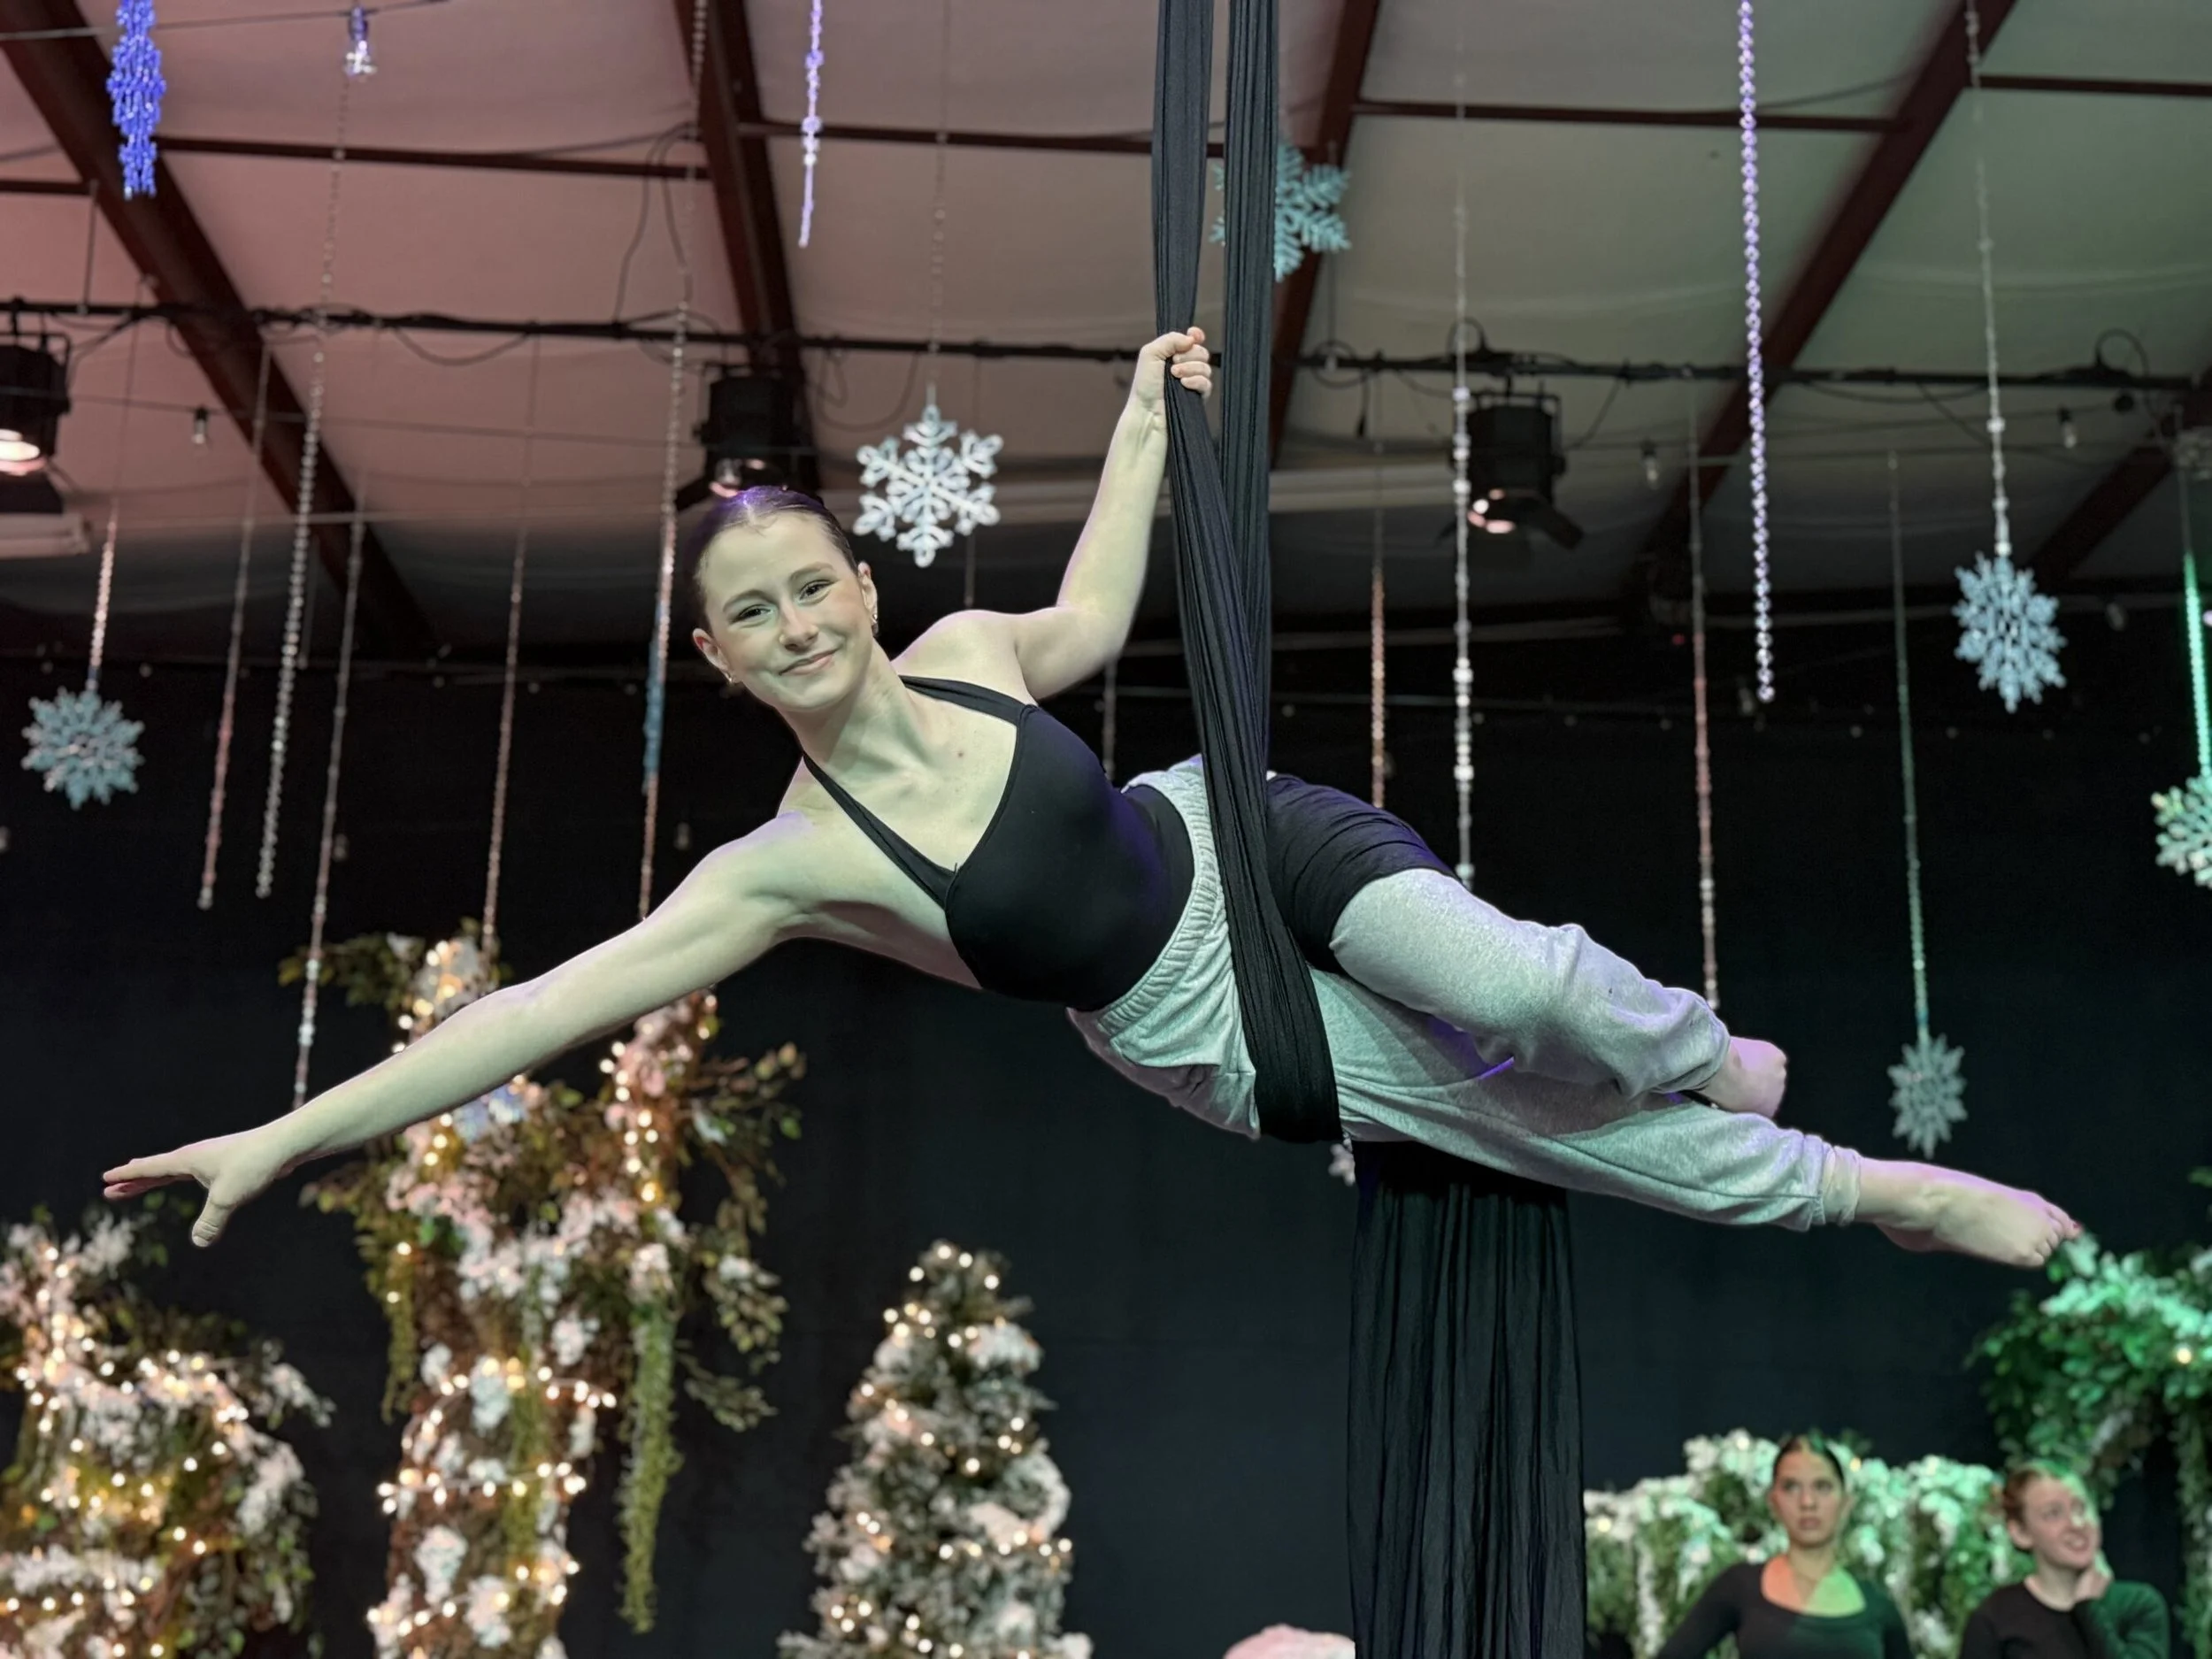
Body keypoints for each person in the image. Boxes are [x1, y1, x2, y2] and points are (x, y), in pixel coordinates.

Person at [103, 328, 2077, 1272]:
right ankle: (1862, 1189)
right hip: (1198, 1024)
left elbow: (1097, 613)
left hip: (1241, 833)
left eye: (807, 585)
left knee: (1536, 991)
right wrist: (283, 1137)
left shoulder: (961, 646)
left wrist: (1140, 422)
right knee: (1526, 1133)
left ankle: (1702, 1042)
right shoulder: (782, 870)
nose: (791, 621)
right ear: (715, 659)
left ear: (856, 593)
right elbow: (535, 1014)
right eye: (746, 616)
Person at [1656, 1434, 1910, 1659]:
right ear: (1773, 1502)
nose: (1807, 1501)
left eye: (1822, 1487)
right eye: (1791, 1487)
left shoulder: (1878, 1607)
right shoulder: (1739, 1587)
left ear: (1846, 1503)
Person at [1961, 1464, 2170, 1659]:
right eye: (2053, 1514)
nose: (2076, 1524)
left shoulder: (2138, 1605)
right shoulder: (1996, 1617)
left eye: (2081, 1508)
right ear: (2021, 1532)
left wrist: (2089, 1610)